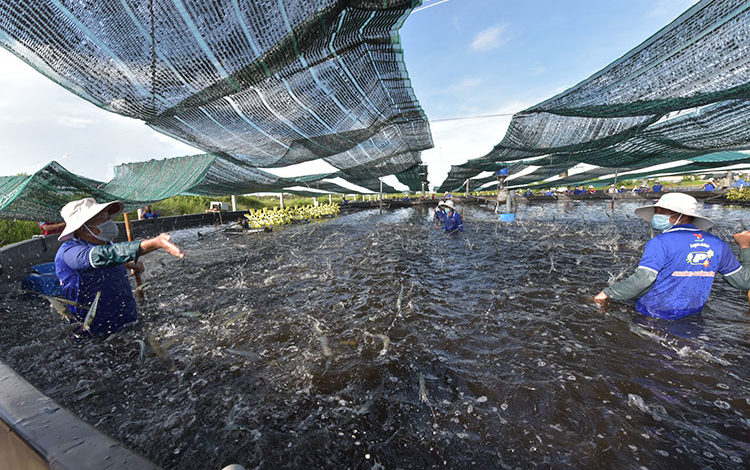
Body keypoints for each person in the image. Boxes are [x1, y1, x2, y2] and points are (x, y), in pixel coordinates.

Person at [593, 193, 750, 319]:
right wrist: (745, 246)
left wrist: (607, 292)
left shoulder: (660, 242)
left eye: (662, 211)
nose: (656, 215)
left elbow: (643, 279)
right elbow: (744, 281)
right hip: (693, 315)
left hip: (653, 314)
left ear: (681, 216)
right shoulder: (718, 244)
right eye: (657, 211)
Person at [55, 198, 185, 338]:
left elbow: (109, 258)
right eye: (100, 217)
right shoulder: (69, 251)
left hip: (127, 322)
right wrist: (154, 243)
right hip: (93, 333)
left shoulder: (106, 242)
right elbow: (101, 256)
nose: (107, 221)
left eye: (106, 215)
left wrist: (128, 264)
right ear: (81, 227)